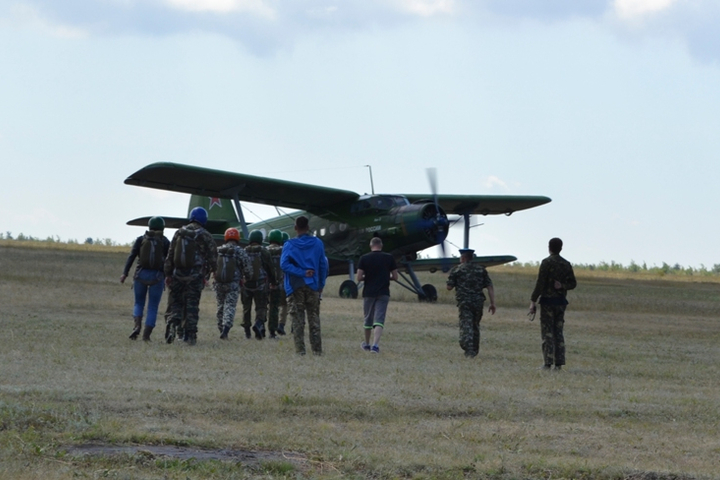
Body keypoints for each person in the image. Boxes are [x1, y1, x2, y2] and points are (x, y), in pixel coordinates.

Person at [163, 206, 217, 346]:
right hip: (195, 276)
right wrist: (213, 272)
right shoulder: (205, 235)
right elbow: (213, 257)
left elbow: (170, 255)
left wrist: (168, 274)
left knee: (176, 303)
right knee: (192, 305)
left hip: (178, 275)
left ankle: (173, 323)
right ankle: (190, 336)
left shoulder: (179, 233)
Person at [280, 216, 328, 355]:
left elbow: (284, 264)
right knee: (314, 319)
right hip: (313, 284)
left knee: (297, 320)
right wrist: (321, 284)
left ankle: (300, 351)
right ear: (308, 227)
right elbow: (323, 265)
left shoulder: (289, 245)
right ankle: (317, 350)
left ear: (295, 228)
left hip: (295, 286)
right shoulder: (318, 243)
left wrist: (300, 272)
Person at [529, 237, 577, 370]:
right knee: (558, 332)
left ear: (549, 247)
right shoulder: (566, 264)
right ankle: (559, 363)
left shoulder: (546, 262)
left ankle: (548, 362)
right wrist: (562, 286)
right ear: (561, 248)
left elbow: (540, 283)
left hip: (548, 303)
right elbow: (573, 283)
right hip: (560, 302)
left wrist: (533, 300)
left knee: (547, 333)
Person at [120, 216, 170, 342]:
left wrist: (125, 273)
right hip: (157, 276)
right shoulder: (164, 242)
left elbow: (131, 257)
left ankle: (137, 326)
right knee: (153, 307)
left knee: (138, 303)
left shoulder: (141, 239)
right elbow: (170, 261)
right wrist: (169, 276)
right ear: (162, 227)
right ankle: (146, 335)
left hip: (140, 274)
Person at [446, 249, 496, 358]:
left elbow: (449, 287)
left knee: (466, 325)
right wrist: (492, 303)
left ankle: (468, 350)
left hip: (464, 301)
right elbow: (489, 287)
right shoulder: (481, 270)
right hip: (478, 301)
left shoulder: (457, 270)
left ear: (463, 258)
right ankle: (474, 350)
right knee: (475, 325)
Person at [356, 237, 398, 354]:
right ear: (381, 245)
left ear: (371, 245)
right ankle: (375, 345)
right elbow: (395, 276)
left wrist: (368, 277)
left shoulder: (364, 258)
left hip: (369, 292)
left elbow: (359, 277)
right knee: (379, 319)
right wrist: (385, 277)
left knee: (368, 318)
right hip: (383, 292)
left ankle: (367, 344)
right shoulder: (389, 258)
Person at [214, 228, 252, 340]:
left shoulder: (218, 250)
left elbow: (211, 263)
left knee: (220, 306)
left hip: (219, 283)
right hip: (233, 284)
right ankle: (225, 330)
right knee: (230, 306)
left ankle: (220, 328)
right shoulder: (240, 251)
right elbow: (248, 269)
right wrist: (247, 278)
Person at [241, 229, 277, 340]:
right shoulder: (264, 251)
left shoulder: (244, 251)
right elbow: (270, 268)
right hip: (261, 284)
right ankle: (258, 324)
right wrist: (273, 282)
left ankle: (247, 331)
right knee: (261, 307)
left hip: (246, 284)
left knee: (246, 308)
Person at [266, 229, 287, 338]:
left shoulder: (264, 250)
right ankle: (272, 332)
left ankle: (260, 325)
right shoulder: (283, 250)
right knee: (274, 308)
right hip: (279, 284)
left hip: (264, 283)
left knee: (262, 307)